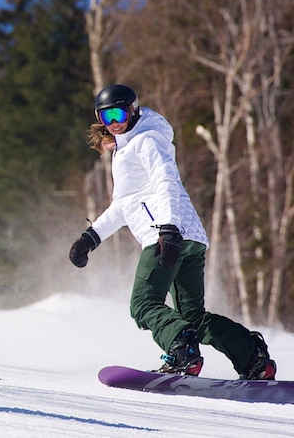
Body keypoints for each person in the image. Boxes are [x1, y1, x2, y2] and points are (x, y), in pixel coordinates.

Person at [69, 84, 276, 380]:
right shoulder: (126, 147)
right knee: (194, 316)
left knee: (143, 305)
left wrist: (167, 229)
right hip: (188, 237)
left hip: (165, 234)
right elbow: (124, 204)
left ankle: (181, 350)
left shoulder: (146, 141)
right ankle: (251, 357)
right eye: (106, 116)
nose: (114, 122)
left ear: (133, 109)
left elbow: (166, 181)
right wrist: (91, 237)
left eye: (119, 113)